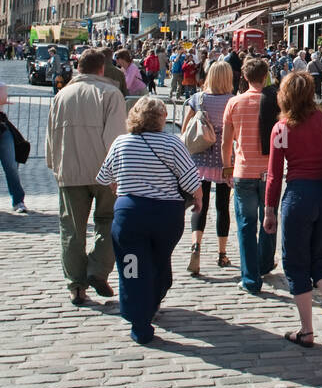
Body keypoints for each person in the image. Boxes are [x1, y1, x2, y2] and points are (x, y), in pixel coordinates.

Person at [96, 96, 201, 344]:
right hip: (166, 216)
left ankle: (139, 318)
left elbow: (105, 177)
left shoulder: (121, 143)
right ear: (161, 118)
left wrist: (122, 184)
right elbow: (191, 182)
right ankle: (151, 300)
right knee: (158, 260)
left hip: (130, 216)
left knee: (132, 268)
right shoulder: (173, 144)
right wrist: (198, 201)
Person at [263, 71, 322, 348]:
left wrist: (269, 210)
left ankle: (306, 330)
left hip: (298, 198)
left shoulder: (281, 130)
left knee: (295, 263)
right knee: (321, 256)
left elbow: (274, 176)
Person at [45, 49, 128, 301]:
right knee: (110, 221)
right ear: (101, 69)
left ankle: (76, 285)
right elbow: (115, 137)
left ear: (77, 68)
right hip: (104, 172)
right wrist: (117, 172)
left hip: (70, 170)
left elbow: (51, 135)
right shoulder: (111, 94)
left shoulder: (61, 95)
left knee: (71, 228)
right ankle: (98, 269)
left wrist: (54, 165)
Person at [221, 56, 277, 295]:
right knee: (269, 220)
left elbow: (225, 142)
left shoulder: (235, 103)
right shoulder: (276, 103)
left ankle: (251, 278)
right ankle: (264, 264)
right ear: (266, 76)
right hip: (270, 172)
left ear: (243, 77)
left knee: (246, 225)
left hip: (244, 171)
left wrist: (226, 168)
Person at [182, 60, 234, 275]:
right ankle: (222, 254)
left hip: (199, 160)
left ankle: (196, 245)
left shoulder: (197, 99)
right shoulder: (232, 101)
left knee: (199, 205)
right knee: (222, 207)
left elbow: (185, 129)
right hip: (224, 160)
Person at [0, 81, 29, 215]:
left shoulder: (1, 85)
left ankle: (18, 201)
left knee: (11, 165)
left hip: (2, 129)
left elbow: (2, 95)